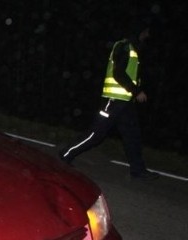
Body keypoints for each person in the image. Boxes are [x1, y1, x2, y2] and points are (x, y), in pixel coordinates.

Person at [59, 18, 160, 180]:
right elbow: (118, 73)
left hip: (125, 103)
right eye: (145, 32)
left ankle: (138, 171)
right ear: (139, 31)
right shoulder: (123, 46)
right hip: (113, 101)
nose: (147, 35)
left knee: (133, 136)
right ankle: (65, 154)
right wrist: (136, 91)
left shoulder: (134, 49)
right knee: (96, 135)